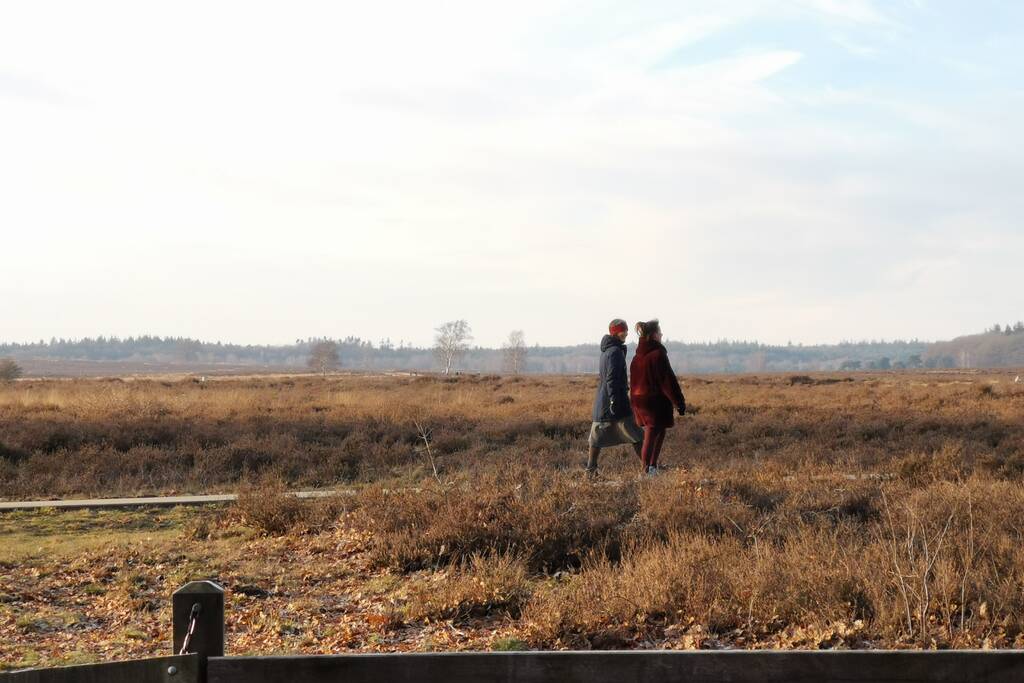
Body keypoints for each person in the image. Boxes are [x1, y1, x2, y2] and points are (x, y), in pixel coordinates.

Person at [587, 318, 644, 476]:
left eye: (626, 330)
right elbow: (611, 378)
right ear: (616, 332)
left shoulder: (607, 351)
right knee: (636, 433)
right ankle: (648, 468)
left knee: (597, 435)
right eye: (623, 330)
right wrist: (613, 400)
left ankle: (591, 470)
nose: (626, 333)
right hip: (614, 400)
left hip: (604, 400)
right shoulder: (615, 352)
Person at [629, 319, 686, 476]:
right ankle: (647, 470)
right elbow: (667, 381)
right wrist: (679, 402)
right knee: (652, 432)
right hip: (653, 402)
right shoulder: (658, 355)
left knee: (658, 431)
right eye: (660, 332)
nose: (661, 335)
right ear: (654, 335)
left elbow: (633, 382)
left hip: (639, 401)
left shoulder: (636, 358)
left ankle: (652, 468)